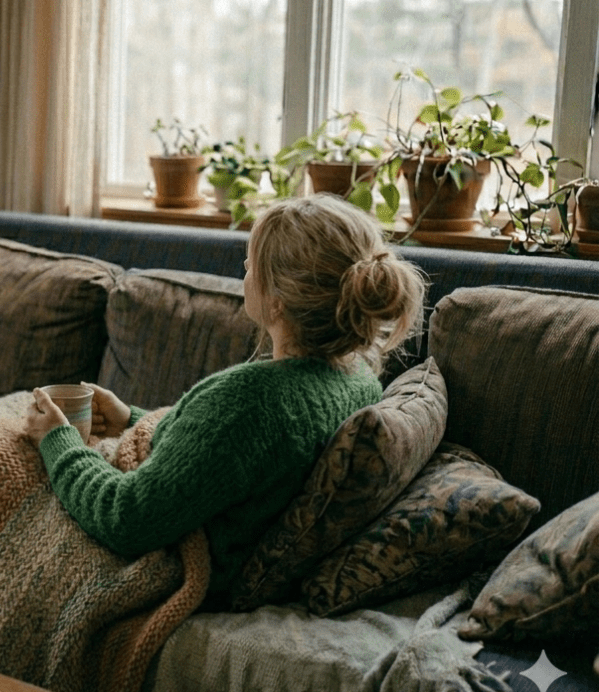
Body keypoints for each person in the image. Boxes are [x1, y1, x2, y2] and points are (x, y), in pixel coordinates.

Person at [24, 193, 427, 599]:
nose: (244, 273)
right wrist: (132, 418)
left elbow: (127, 518)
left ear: (277, 303)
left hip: (187, 566)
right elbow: (231, 460)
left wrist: (59, 442)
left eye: (250, 266)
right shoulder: (359, 380)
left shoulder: (249, 401)